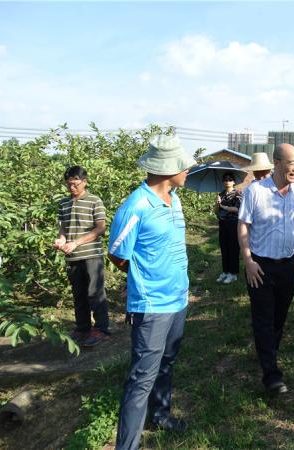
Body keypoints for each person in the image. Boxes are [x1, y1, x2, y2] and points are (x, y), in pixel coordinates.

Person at [107, 135, 195, 450]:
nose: (188, 169)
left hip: (178, 300)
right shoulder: (136, 206)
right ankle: (126, 445)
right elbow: (117, 253)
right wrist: (147, 277)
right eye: (183, 164)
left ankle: (160, 415)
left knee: (167, 362)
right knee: (141, 380)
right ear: (167, 167)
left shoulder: (175, 199)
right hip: (151, 305)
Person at [238, 143, 294, 395]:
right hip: (261, 266)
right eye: (292, 163)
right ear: (276, 163)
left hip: (286, 265)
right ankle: (271, 375)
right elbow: (243, 225)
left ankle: (267, 352)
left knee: (280, 316)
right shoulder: (255, 191)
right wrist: (248, 261)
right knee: (264, 319)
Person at [53, 166, 109, 347]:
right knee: (79, 294)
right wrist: (61, 240)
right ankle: (83, 328)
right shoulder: (63, 203)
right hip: (72, 256)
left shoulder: (94, 201)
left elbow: (100, 228)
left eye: (75, 184)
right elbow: (64, 228)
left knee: (95, 292)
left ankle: (101, 328)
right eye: (68, 184)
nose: (72, 188)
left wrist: (76, 243)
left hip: (91, 254)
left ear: (85, 181)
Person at [215, 172, 241, 284]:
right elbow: (216, 211)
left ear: (234, 182)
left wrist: (222, 206)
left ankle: (233, 273)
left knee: (233, 248)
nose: (227, 181)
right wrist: (217, 204)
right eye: (225, 179)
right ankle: (225, 271)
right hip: (222, 223)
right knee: (224, 248)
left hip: (233, 223)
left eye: (230, 179)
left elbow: (237, 209)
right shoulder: (220, 194)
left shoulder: (237, 194)